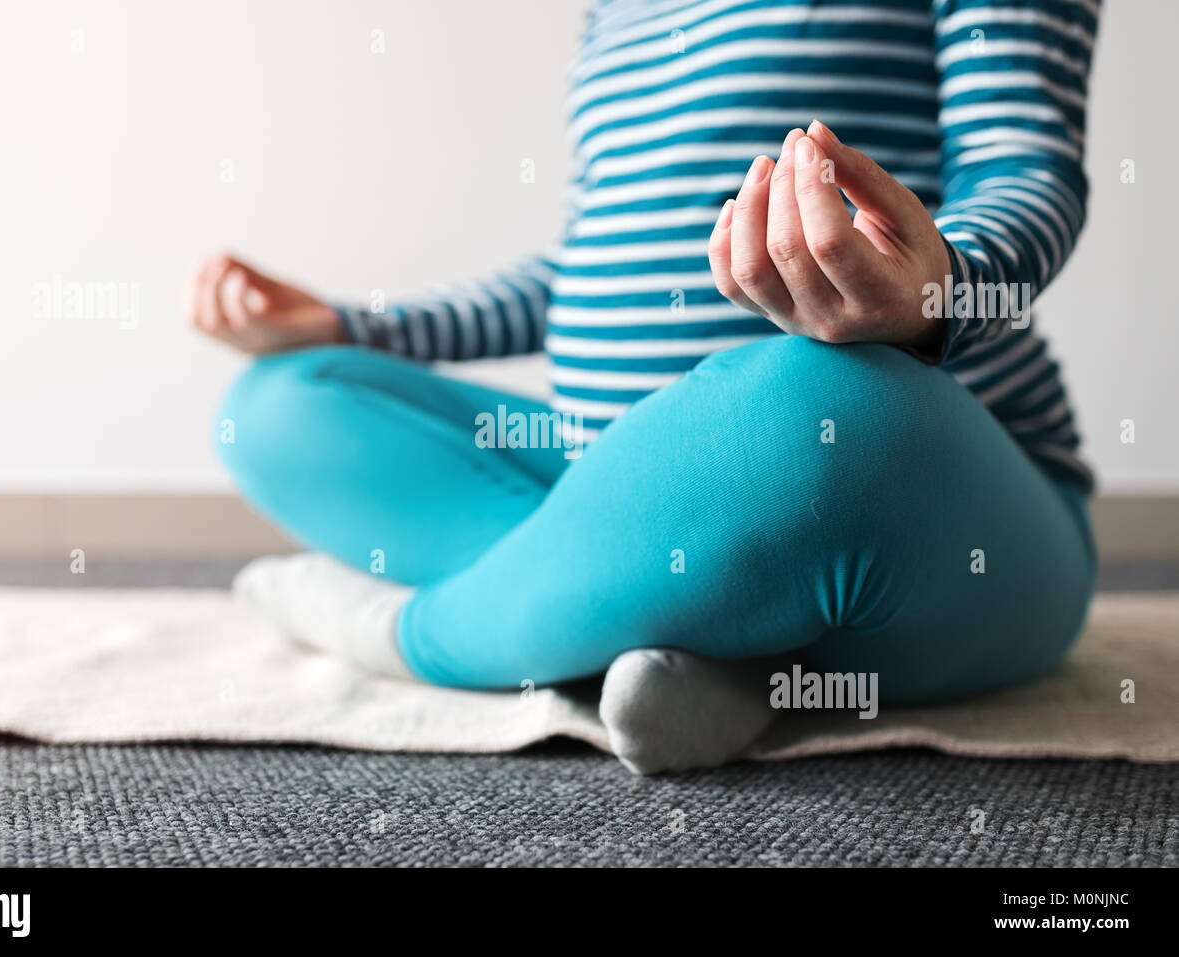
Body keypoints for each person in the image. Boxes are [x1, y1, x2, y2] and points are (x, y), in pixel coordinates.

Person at [188, 0, 1099, 772]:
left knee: (826, 412)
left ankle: (415, 632)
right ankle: (714, 634)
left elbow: (1027, 175)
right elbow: (585, 268)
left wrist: (930, 290)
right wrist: (360, 327)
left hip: (921, 495)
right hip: (611, 470)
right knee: (284, 402)